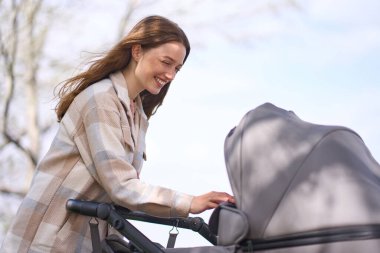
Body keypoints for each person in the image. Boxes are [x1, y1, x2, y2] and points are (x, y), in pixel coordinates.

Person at [0, 15, 234, 252]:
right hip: (46, 240)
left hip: (85, 241)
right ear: (137, 51)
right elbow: (122, 186)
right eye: (166, 62)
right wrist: (190, 202)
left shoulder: (137, 114)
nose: (171, 75)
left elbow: (123, 193)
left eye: (177, 68)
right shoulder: (101, 100)